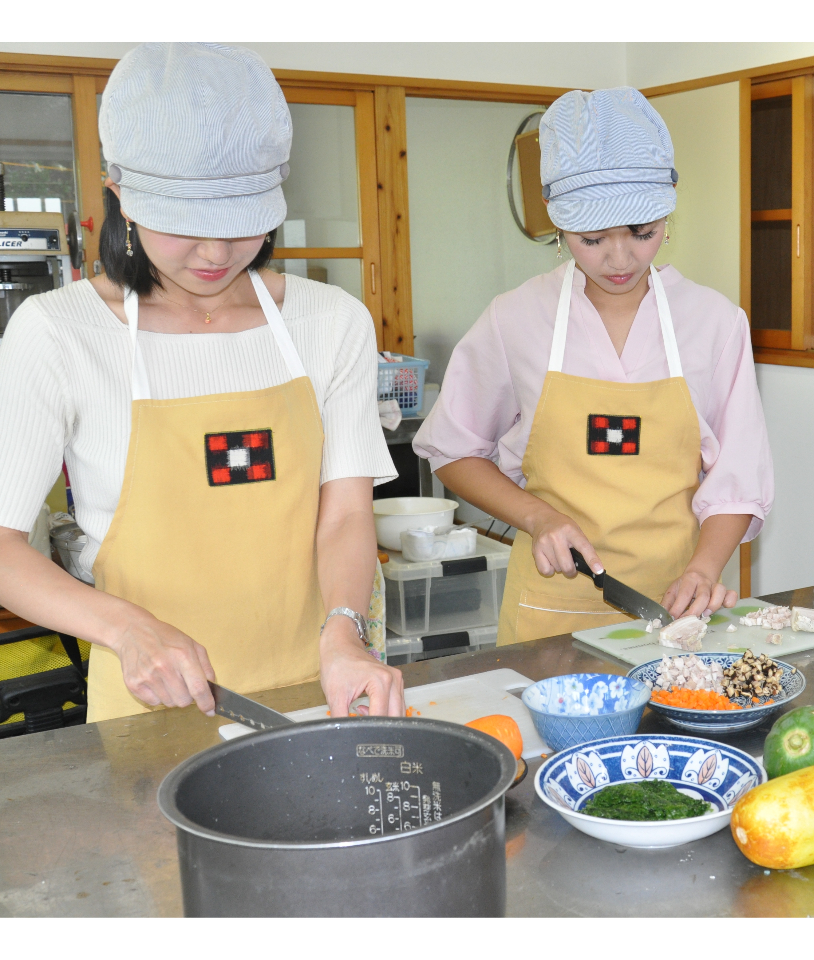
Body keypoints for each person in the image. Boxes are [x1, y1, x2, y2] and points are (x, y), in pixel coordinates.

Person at [0, 43, 404, 721]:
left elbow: (345, 514)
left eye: (241, 220)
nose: (215, 254)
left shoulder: (331, 321)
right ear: (121, 192)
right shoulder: (57, 332)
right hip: (147, 710)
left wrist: (345, 626)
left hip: (320, 692)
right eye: (186, 223)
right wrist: (125, 628)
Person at [415, 87, 773, 645]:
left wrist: (705, 569)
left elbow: (737, 481)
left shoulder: (714, 322)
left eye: (642, 232)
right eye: (593, 238)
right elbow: (453, 449)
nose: (620, 259)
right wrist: (536, 518)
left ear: (667, 213)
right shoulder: (516, 319)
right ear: (557, 227)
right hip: (548, 615)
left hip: (675, 610)